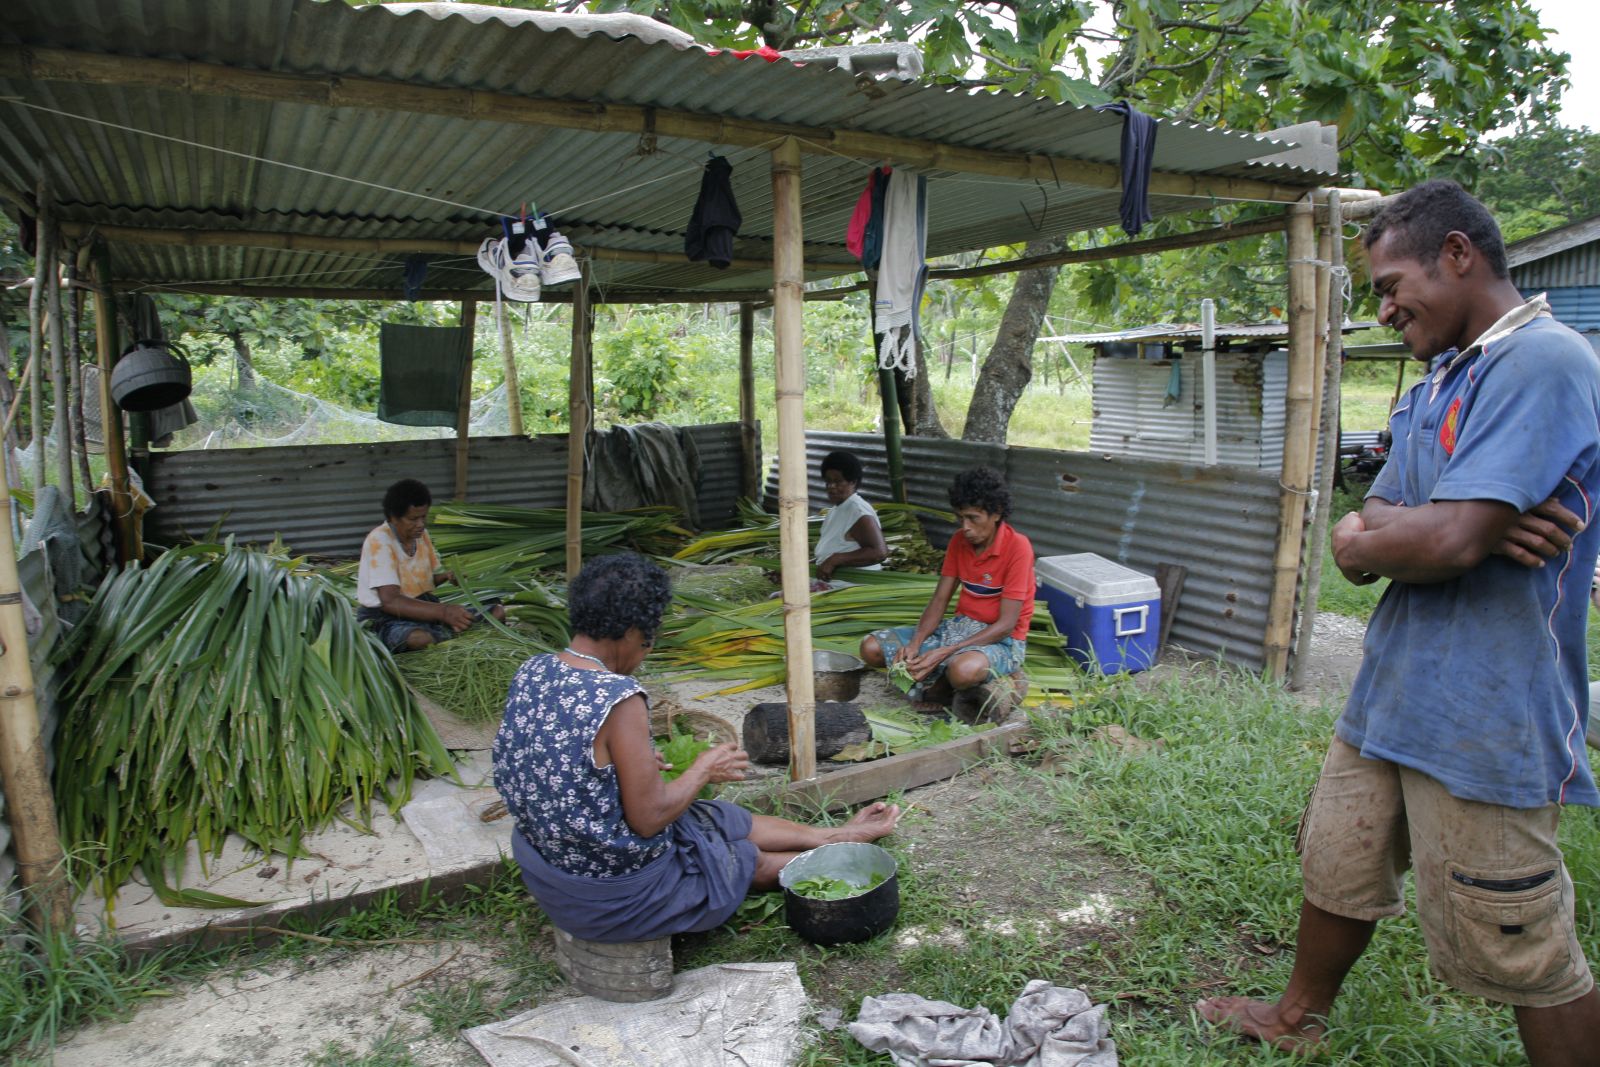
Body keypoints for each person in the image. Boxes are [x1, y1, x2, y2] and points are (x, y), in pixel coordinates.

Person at [1198, 180, 1600, 1065]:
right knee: (1341, 854)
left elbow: (1450, 537)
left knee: (1517, 930)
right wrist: (1413, 528)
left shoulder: (1541, 361)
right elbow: (1355, 537)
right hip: (1394, 684)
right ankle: (1296, 1016)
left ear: (1458, 255)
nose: (1383, 309)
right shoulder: (1435, 382)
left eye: (1390, 285)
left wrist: (1446, 529)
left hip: (1492, 703)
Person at [492, 552, 901, 943]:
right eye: (649, 639)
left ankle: (833, 835)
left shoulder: (535, 670)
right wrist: (702, 769)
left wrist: (621, 768)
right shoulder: (618, 696)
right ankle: (841, 857)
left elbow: (553, 762)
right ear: (634, 631)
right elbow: (649, 820)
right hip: (614, 898)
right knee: (738, 857)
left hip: (551, 867)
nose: (645, 652)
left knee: (718, 817)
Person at [859, 466, 1034, 722]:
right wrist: (915, 643)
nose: (966, 527)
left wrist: (947, 651)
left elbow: (1006, 625)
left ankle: (947, 684)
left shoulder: (1018, 547)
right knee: (871, 648)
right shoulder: (958, 542)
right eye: (960, 518)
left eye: (973, 518)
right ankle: (941, 684)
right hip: (959, 629)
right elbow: (939, 600)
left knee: (962, 670)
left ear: (996, 513)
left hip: (1002, 641)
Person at [355, 478, 503, 653]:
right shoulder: (380, 541)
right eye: (413, 519)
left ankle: (450, 642)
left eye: (423, 517)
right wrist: (444, 612)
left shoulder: (421, 535)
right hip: (387, 618)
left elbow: (422, 582)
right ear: (394, 517)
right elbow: (390, 601)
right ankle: (448, 640)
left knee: (497, 612)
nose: (420, 524)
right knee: (420, 639)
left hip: (424, 609)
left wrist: (446, 577)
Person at [813, 449, 888, 591]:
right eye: (828, 482)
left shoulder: (858, 511)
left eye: (837, 481)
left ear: (853, 482)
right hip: (832, 584)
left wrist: (835, 560)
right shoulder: (834, 511)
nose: (831, 487)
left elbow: (879, 552)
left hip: (852, 591)